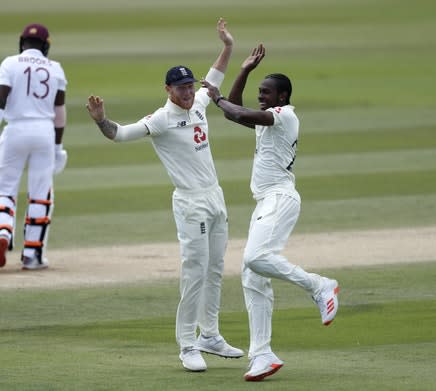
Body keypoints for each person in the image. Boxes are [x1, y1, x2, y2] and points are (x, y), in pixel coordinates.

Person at [86, 18, 243, 373]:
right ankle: (187, 344)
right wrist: (101, 120)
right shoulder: (160, 119)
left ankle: (210, 335)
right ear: (168, 89)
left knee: (216, 269)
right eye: (181, 87)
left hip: (215, 197)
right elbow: (121, 135)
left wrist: (228, 46)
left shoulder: (201, 102)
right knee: (194, 272)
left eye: (190, 85)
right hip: (190, 202)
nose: (188, 91)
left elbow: (214, 77)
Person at [201, 44, 340, 382]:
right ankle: (262, 354)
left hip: (280, 198)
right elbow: (234, 111)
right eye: (259, 92)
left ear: (283, 96)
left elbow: (236, 112)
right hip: (266, 202)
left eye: (266, 92)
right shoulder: (269, 120)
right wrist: (244, 72)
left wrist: (218, 98)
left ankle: (320, 285)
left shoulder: (285, 116)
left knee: (254, 258)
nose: (260, 96)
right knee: (253, 276)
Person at [0, 22, 68, 270]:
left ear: (21, 43)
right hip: (44, 133)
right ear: (46, 46)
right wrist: (58, 148)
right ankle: (33, 255)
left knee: (4, 188)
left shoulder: (10, 63)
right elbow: (59, 112)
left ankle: (3, 231)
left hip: (15, 130)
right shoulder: (56, 69)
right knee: (40, 193)